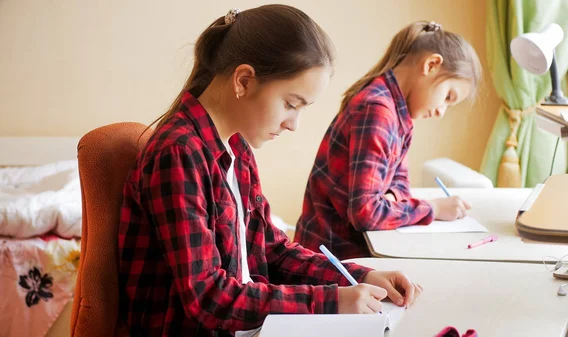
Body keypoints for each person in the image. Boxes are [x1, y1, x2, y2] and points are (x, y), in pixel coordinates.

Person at [118, 6, 421, 336]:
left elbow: (272, 250)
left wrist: (357, 278)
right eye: (291, 104)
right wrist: (331, 301)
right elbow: (208, 298)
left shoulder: (238, 149)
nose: (293, 124)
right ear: (244, 80)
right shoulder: (179, 154)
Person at [295, 21, 483, 260]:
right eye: (447, 96)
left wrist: (391, 198)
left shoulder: (399, 113)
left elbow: (401, 181)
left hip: (354, 251)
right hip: (334, 260)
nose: (440, 111)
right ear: (431, 65)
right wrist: (433, 208)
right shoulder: (377, 111)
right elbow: (366, 213)